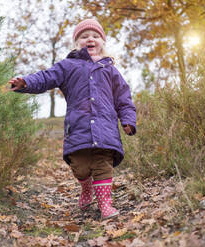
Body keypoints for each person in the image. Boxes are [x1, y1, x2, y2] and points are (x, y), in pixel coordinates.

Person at [9, 18, 136, 219]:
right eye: (84, 36)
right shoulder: (68, 66)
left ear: (102, 42)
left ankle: (105, 206)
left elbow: (123, 97)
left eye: (95, 36)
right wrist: (26, 82)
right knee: (80, 166)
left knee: (103, 166)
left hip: (106, 128)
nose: (90, 39)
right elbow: (46, 77)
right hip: (79, 128)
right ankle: (86, 187)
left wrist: (128, 120)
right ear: (77, 43)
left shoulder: (110, 70)